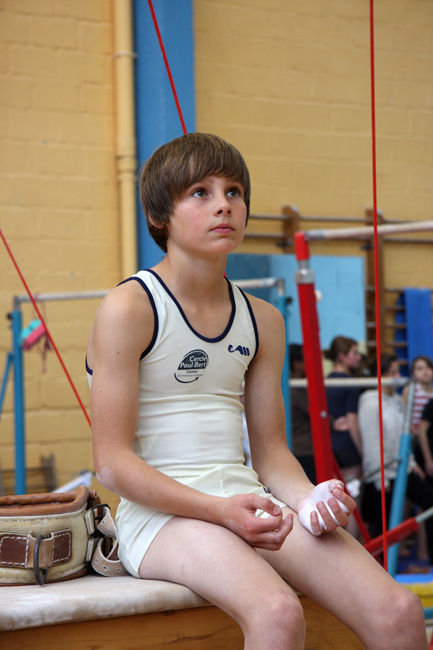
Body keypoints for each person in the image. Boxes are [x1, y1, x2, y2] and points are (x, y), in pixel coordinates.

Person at [86, 133, 425, 649]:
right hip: (160, 517)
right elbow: (112, 463)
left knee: (399, 612)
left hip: (245, 498)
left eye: (235, 191)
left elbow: (270, 453)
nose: (224, 203)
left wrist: (308, 498)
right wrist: (221, 512)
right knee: (277, 613)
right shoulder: (129, 309)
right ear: (160, 216)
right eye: (200, 192)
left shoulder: (261, 320)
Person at [359, 354, 433, 566]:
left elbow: (403, 437)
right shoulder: (370, 402)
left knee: (429, 500)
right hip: (383, 474)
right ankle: (378, 568)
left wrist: (412, 464)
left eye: (398, 372)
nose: (398, 377)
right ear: (379, 375)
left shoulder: (395, 400)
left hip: (402, 469)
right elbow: (373, 443)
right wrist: (380, 480)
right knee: (382, 524)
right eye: (393, 373)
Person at [402, 355, 433, 435]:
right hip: (413, 434)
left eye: (428, 367)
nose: (425, 372)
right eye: (420, 369)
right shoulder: (410, 390)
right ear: (413, 373)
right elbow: (403, 412)